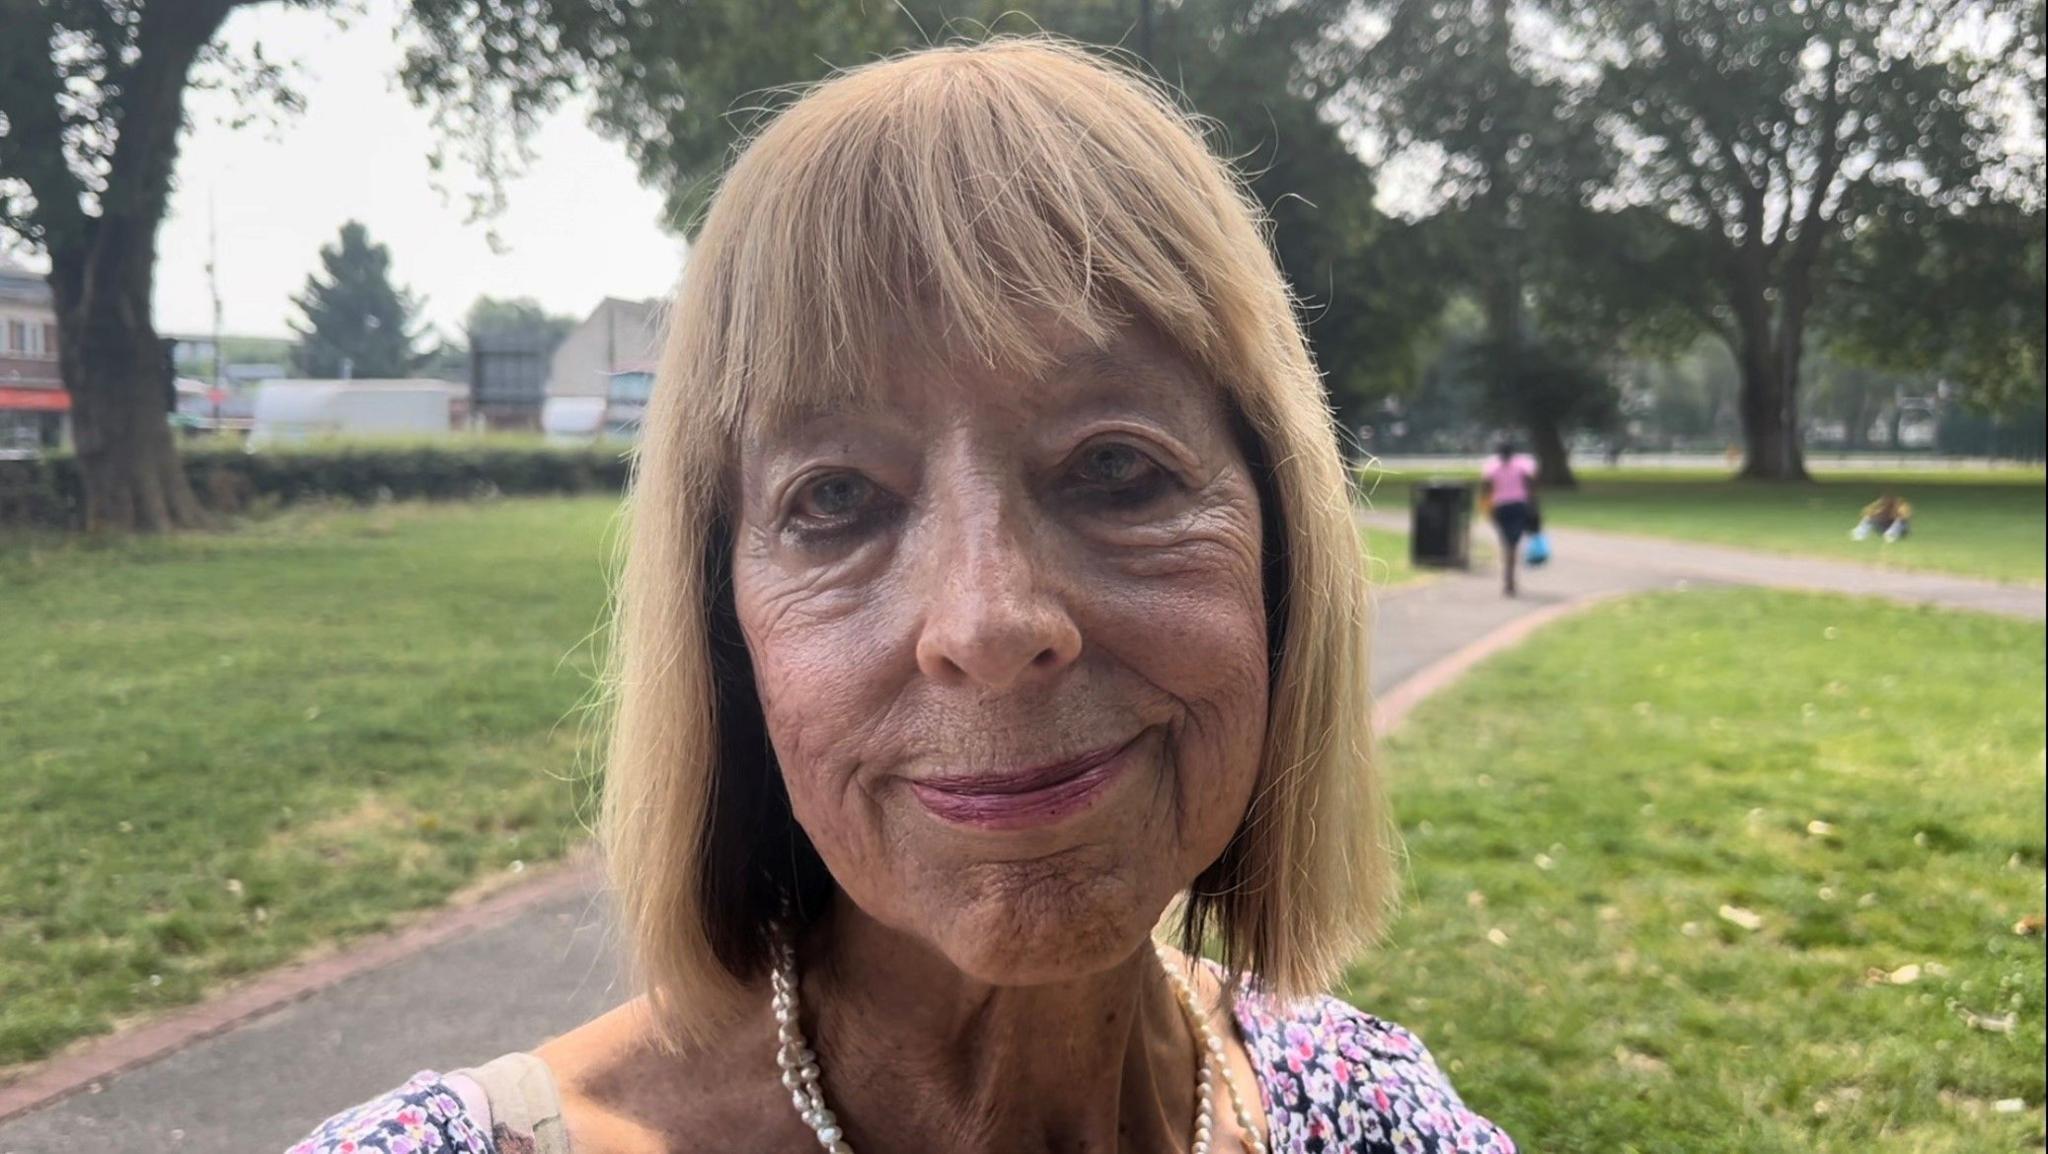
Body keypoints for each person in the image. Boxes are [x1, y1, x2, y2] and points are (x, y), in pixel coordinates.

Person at [289, 40, 1514, 1154]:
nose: (985, 624)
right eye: (836, 500)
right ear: (724, 633)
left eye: (1113, 467)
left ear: (1281, 552)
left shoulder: (1375, 1112)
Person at [1481, 441, 1540, 597]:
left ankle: (1508, 578)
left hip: (1500, 507)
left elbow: (1486, 488)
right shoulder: (1523, 465)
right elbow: (1531, 486)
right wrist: (1534, 506)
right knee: (1513, 543)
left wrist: (1486, 506)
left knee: (1507, 542)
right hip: (1518, 506)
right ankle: (1510, 579)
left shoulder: (1491, 467)